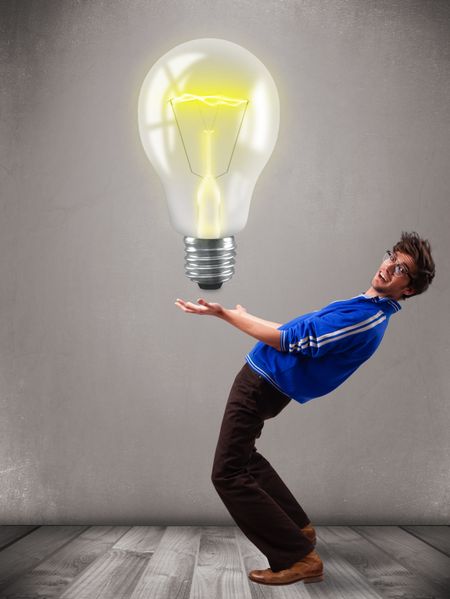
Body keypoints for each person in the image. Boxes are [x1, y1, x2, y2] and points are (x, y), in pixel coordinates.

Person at [175, 231, 435, 586]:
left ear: (409, 290)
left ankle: (298, 557)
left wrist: (224, 316)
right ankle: (299, 527)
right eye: (392, 256)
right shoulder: (365, 305)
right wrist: (246, 317)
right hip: (262, 380)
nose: (389, 266)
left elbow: (288, 340)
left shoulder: (364, 318)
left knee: (227, 474)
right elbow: (292, 331)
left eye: (402, 269)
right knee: (245, 458)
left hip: (261, 385)